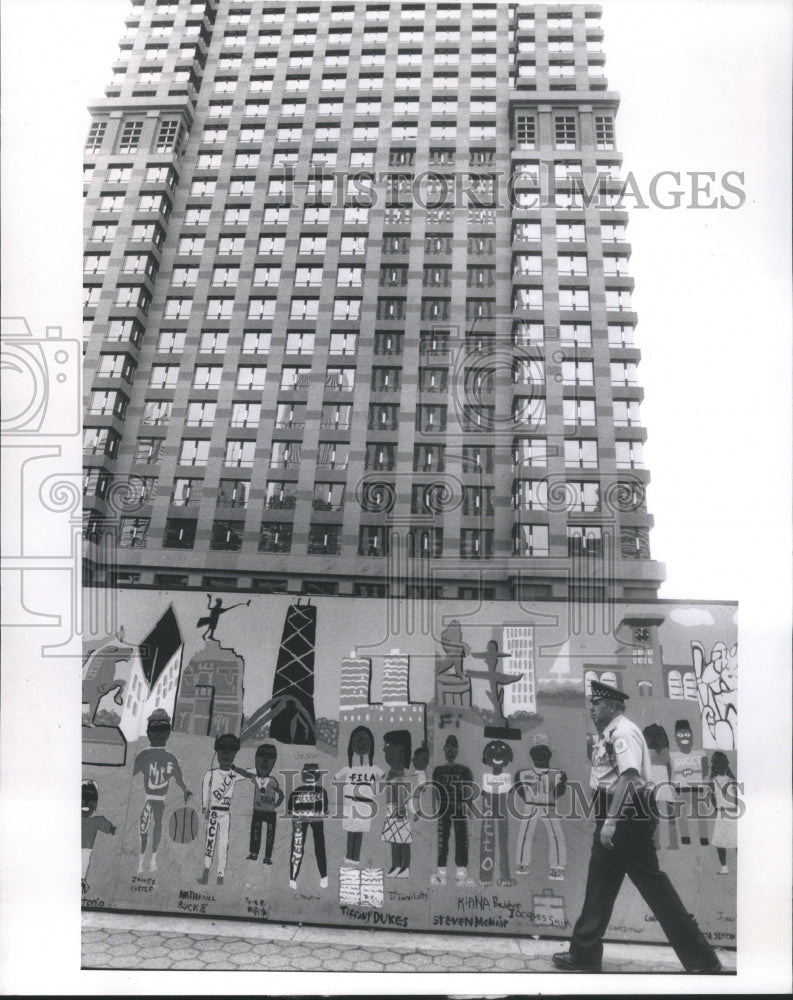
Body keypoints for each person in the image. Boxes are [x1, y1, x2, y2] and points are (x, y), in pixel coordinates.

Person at [553, 681, 723, 974]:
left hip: (626, 815)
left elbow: (629, 778)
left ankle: (703, 961)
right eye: (591, 703)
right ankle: (585, 954)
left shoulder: (624, 733)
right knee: (600, 885)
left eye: (597, 703)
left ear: (613, 706)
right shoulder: (611, 732)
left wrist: (611, 821)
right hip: (617, 812)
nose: (591, 708)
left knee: (654, 887)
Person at [132, 709, 192, 874]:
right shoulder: (146, 756)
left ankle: (150, 861)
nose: (158, 733)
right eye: (155, 728)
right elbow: (130, 774)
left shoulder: (166, 758)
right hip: (152, 799)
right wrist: (185, 790)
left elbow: (179, 779)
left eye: (162, 729)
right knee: (145, 830)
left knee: (152, 829)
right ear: (148, 731)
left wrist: (185, 790)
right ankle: (144, 861)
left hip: (157, 800)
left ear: (168, 732)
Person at [198, 732, 246, 886]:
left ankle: (220, 875)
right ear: (217, 751)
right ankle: (206, 872)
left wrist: (237, 769)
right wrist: (205, 808)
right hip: (213, 811)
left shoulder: (234, 774)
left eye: (230, 749)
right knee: (209, 843)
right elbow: (205, 791)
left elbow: (250, 774)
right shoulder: (210, 774)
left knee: (223, 844)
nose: (226, 753)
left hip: (225, 813)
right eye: (222, 748)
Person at [334, 726, 383, 865]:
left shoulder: (372, 768)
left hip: (363, 805)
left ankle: (354, 858)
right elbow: (336, 776)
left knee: (357, 832)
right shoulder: (349, 768)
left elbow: (382, 777)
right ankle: (351, 857)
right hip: (353, 805)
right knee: (351, 832)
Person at [431, 735, 475, 886]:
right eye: (448, 748)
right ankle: (441, 873)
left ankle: (461, 873)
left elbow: (468, 790)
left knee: (461, 838)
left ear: (457, 750)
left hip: (459, 807)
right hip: (444, 807)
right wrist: (434, 806)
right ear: (444, 749)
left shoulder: (465, 770)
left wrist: (469, 805)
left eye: (454, 748)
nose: (451, 751)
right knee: (443, 838)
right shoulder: (438, 770)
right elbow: (435, 789)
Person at [234, 743, 284, 865]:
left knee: (270, 835)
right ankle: (254, 853)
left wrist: (277, 804)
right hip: (258, 810)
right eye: (261, 756)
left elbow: (281, 793)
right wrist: (235, 768)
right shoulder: (257, 779)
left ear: (273, 764)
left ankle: (267, 856)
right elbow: (245, 774)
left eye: (269, 757)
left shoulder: (272, 780)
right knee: (255, 832)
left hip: (270, 812)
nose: (265, 761)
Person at [288, 763, 328, 889]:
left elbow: (290, 809)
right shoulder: (321, 791)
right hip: (308, 819)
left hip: (302, 819)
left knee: (300, 847)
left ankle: (294, 878)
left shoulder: (298, 791)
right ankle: (322, 877)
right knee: (308, 847)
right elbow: (325, 810)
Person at [81, 780, 116, 893]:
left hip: (85, 849)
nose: (86, 802)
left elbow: (109, 828)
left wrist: (111, 829)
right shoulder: (96, 820)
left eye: (90, 800)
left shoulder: (96, 820)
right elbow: (110, 829)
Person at [709, 751, 738, 874]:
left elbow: (713, 800)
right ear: (728, 764)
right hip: (734, 814)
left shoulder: (713, 782)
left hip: (721, 813)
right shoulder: (733, 780)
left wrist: (718, 811)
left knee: (720, 842)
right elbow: (738, 799)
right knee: (737, 841)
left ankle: (724, 868)